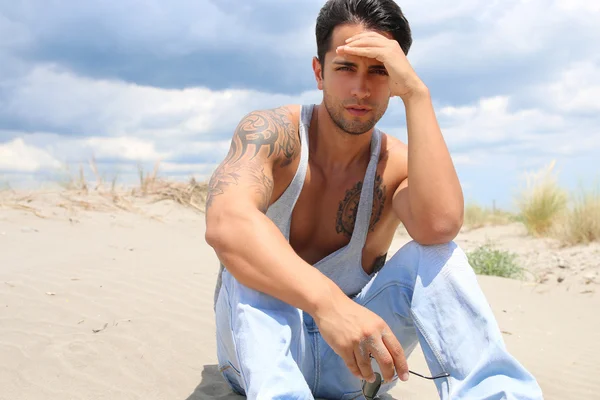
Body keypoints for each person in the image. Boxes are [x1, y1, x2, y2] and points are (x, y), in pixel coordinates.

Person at [205, 0, 544, 399]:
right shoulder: (274, 134)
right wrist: (330, 305)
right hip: (260, 363)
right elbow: (225, 223)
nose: (361, 89)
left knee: (437, 255)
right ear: (319, 72)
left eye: (379, 71)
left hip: (353, 366)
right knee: (252, 253)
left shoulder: (394, 164)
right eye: (346, 68)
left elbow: (439, 226)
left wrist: (417, 94)